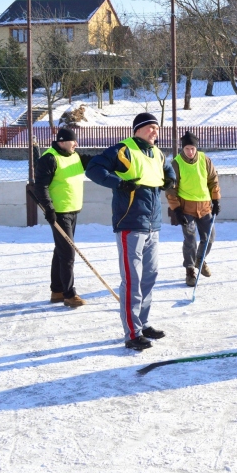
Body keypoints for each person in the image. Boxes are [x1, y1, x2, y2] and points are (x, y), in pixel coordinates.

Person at [86, 112, 176, 351]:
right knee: (132, 280)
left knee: (150, 275)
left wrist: (170, 180)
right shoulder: (122, 150)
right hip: (130, 223)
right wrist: (119, 183)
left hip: (152, 224)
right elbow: (93, 168)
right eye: (149, 127)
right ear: (137, 129)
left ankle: (143, 323)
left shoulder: (157, 153)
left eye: (157, 127)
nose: (155, 131)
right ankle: (132, 333)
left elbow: (169, 170)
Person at [33, 127, 91, 308]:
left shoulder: (75, 156)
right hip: (58, 213)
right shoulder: (49, 159)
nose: (76, 144)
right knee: (68, 252)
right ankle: (69, 294)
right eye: (73, 141)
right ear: (62, 141)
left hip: (73, 210)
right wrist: (49, 209)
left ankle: (57, 290)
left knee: (61, 250)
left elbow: (93, 162)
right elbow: (40, 187)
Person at [166, 131, 221, 286]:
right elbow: (171, 189)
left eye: (192, 148)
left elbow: (213, 180)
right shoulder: (176, 163)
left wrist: (216, 200)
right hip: (186, 208)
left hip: (205, 207)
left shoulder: (205, 160)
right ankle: (190, 269)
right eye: (187, 149)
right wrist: (176, 209)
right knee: (190, 239)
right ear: (182, 148)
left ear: (196, 148)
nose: (190, 152)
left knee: (209, 238)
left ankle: (200, 259)